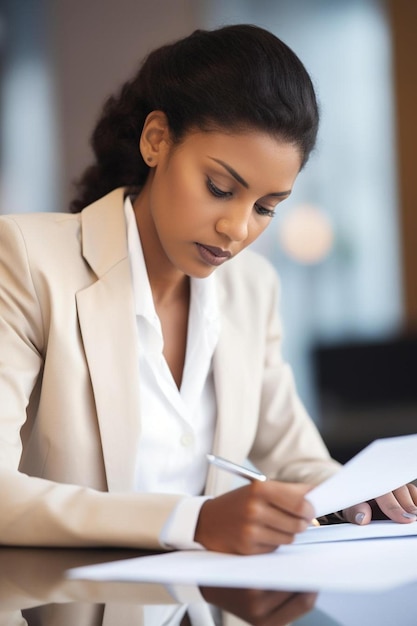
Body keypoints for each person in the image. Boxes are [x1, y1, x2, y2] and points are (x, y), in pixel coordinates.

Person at [0, 24, 416, 556]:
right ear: (156, 140)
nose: (238, 229)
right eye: (220, 188)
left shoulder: (252, 289)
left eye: (266, 207)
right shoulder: (28, 262)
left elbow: (296, 458)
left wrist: (360, 495)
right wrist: (191, 520)